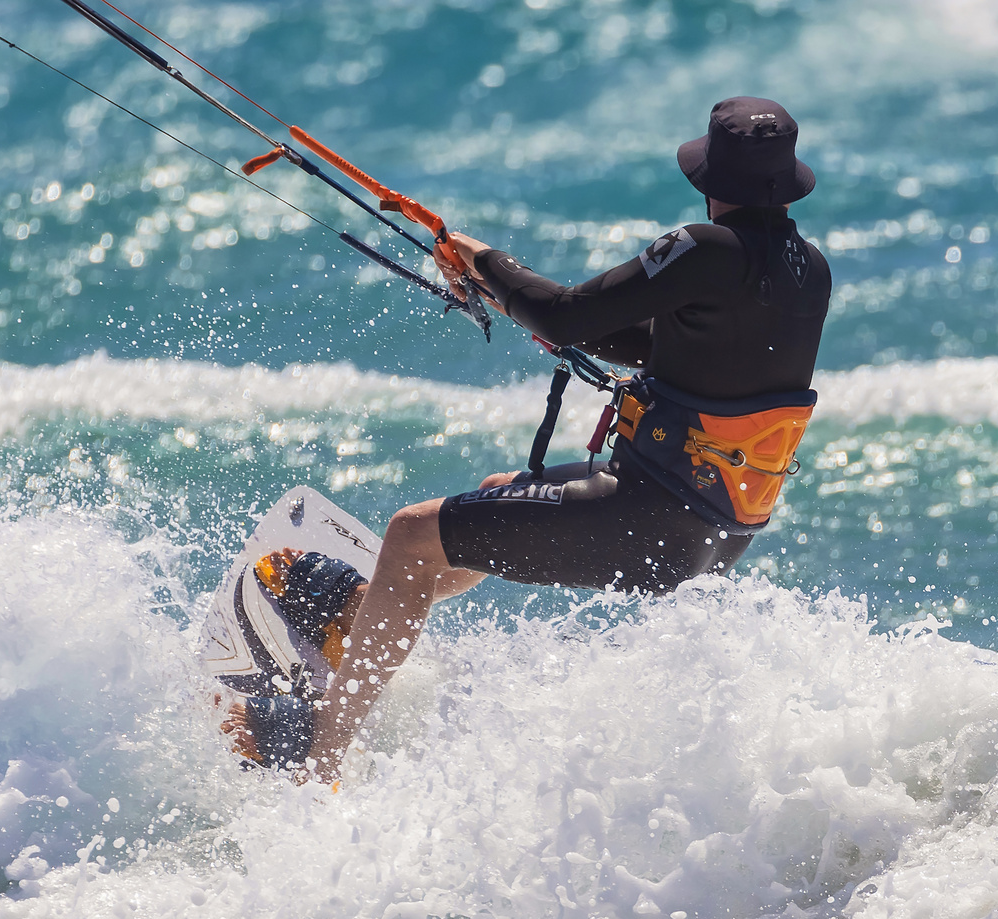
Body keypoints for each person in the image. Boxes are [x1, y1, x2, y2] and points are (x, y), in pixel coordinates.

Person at [223, 96, 832, 782]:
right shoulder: (803, 266)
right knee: (494, 498)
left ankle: (320, 751)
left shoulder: (706, 246)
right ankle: (358, 617)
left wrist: (485, 260)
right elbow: (643, 343)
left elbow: (566, 316)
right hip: (710, 533)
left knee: (412, 535)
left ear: (710, 178)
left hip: (650, 512)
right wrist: (509, 294)